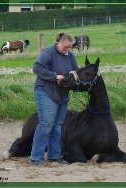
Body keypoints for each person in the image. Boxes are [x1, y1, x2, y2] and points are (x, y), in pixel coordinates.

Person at [30, 33, 79, 165]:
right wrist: (54, 76)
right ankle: (35, 158)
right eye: (66, 47)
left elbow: (75, 72)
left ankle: (54, 156)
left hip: (62, 94)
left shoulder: (70, 56)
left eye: (70, 47)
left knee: (57, 126)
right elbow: (36, 67)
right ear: (60, 42)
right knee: (46, 124)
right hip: (45, 91)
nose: (68, 50)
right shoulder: (48, 52)